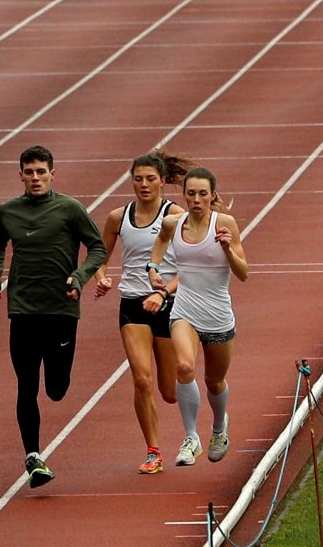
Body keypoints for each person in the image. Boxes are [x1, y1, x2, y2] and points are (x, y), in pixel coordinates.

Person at [0, 145, 107, 489]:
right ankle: (33, 457)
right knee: (26, 384)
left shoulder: (69, 209)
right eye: (30, 172)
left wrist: (80, 277)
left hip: (61, 310)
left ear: (53, 174)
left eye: (41, 172)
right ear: (20, 175)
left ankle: (56, 385)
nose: (36, 178)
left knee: (56, 389)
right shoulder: (8, 210)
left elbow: (97, 246)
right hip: (23, 310)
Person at [92, 150, 193, 475]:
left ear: (162, 181)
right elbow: (99, 256)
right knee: (141, 379)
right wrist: (101, 277)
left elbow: (192, 266)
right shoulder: (117, 217)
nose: (144, 184)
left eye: (150, 179)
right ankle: (153, 451)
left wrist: (163, 291)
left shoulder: (175, 215)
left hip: (169, 304)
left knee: (169, 391)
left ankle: (195, 421)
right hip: (133, 304)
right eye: (138, 179)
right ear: (131, 181)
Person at [150, 165, 248, 466]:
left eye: (202, 194)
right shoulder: (173, 223)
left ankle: (219, 428)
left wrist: (228, 249)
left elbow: (243, 273)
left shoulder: (225, 223)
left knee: (214, 382)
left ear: (212, 195)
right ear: (183, 195)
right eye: (190, 194)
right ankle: (191, 437)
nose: (196, 200)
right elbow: (160, 242)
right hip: (185, 311)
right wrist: (152, 268)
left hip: (217, 316)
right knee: (183, 366)